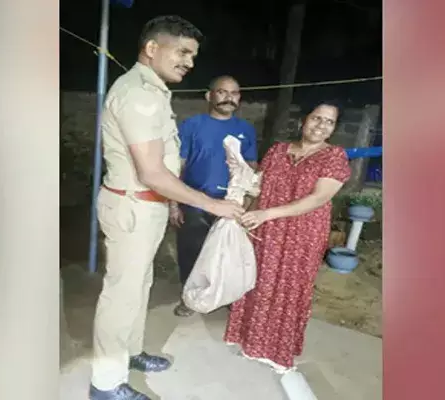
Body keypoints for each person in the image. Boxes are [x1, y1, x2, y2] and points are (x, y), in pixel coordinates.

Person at [90, 16, 244, 400]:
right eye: (183, 52)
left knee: (139, 286)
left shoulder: (154, 92)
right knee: (121, 296)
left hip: (147, 206)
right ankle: (105, 384)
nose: (189, 62)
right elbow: (152, 172)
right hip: (133, 207)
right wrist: (212, 204)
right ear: (152, 48)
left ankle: (130, 352)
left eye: (193, 55)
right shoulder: (139, 95)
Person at [223, 102, 352, 373]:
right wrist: (242, 203)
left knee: (289, 288)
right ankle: (251, 342)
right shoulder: (278, 150)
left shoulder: (334, 157)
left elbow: (318, 198)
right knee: (259, 281)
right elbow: (259, 188)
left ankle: (277, 351)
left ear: (333, 129)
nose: (321, 125)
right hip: (266, 229)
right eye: (316, 118)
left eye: (329, 122)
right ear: (304, 120)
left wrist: (267, 214)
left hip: (303, 234)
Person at [170, 76, 258, 317]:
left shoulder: (245, 129)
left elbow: (250, 166)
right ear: (209, 96)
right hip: (195, 201)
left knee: (228, 253)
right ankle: (190, 298)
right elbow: (178, 165)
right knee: (192, 251)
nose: (229, 98)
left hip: (232, 203)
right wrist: (173, 204)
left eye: (234, 93)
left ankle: (226, 295)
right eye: (222, 92)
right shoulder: (191, 125)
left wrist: (249, 202)